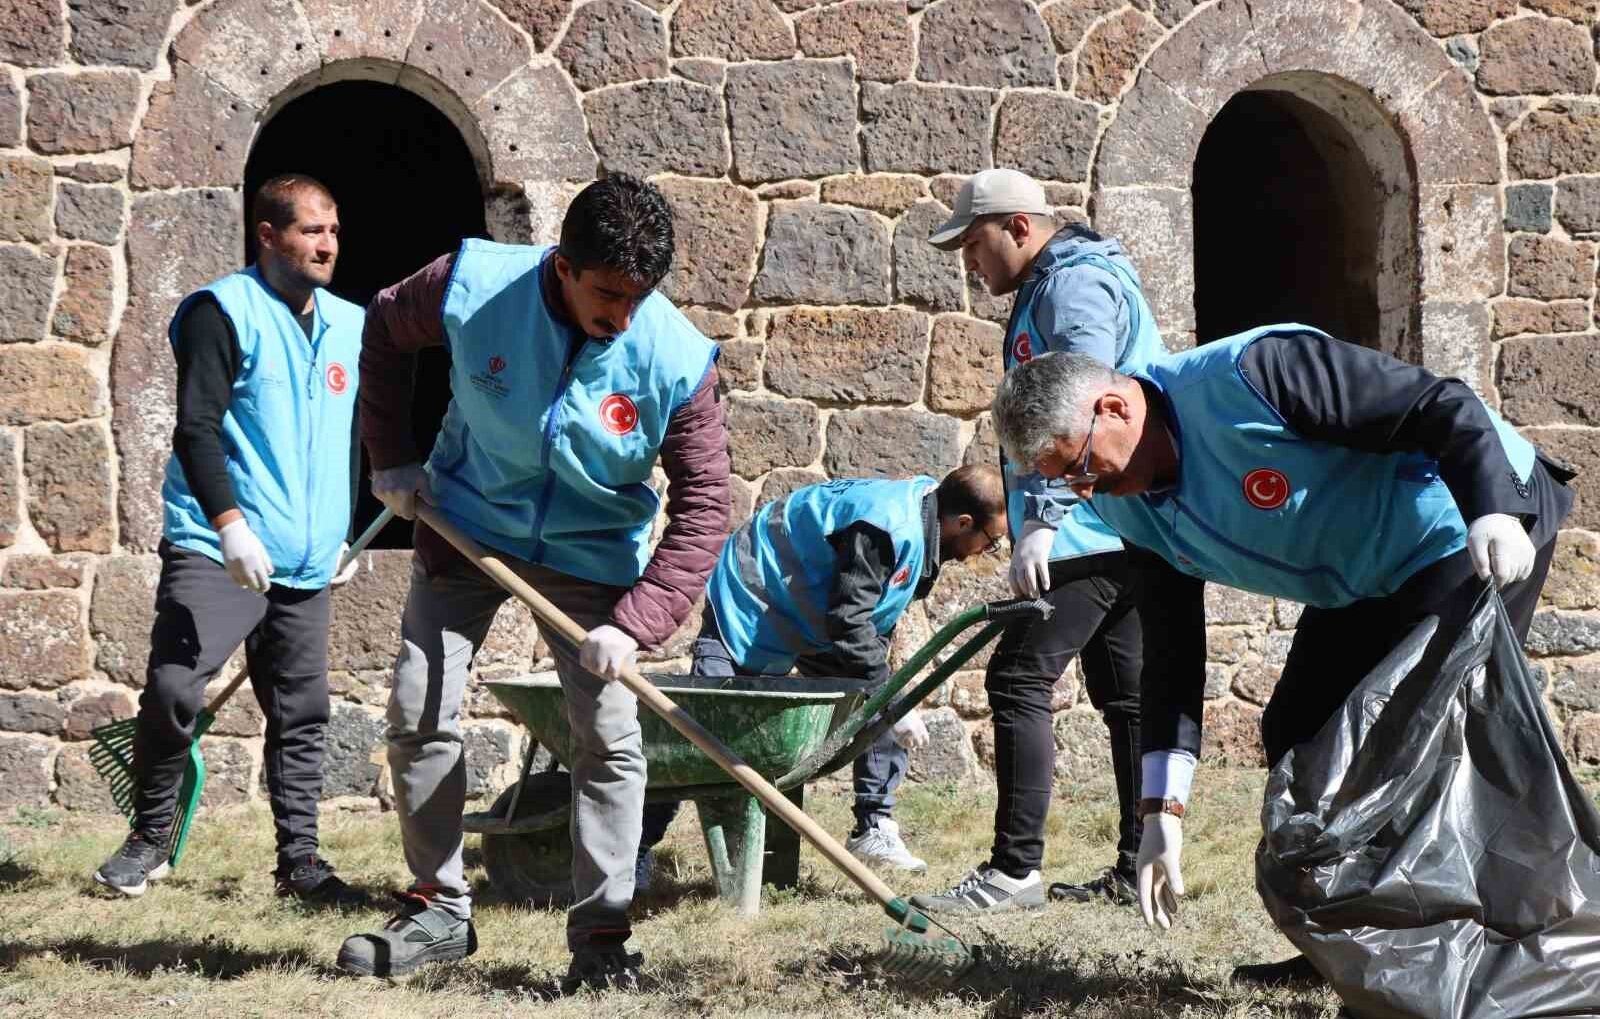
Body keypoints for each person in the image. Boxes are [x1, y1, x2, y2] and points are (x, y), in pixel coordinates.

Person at [991, 324, 1575, 987]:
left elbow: (1438, 402)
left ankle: (1499, 945)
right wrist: (1161, 815)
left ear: (1114, 408)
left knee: (1423, 740)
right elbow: (1172, 655)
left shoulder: (1257, 373)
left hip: (1462, 526)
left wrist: (1492, 508)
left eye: (1079, 466)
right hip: (1362, 574)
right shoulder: (1128, 509)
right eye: (1067, 483)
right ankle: (1343, 950)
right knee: (1302, 728)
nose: (1084, 491)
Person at [336, 174, 731, 993]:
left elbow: (705, 506)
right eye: (608, 294)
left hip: (592, 553)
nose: (624, 316)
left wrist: (636, 623)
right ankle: (438, 911)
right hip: (466, 524)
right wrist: (392, 458)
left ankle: (602, 939)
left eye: (639, 297)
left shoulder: (677, 360)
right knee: (418, 709)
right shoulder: (471, 286)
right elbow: (382, 327)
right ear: (562, 266)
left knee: (611, 741)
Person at [92, 174, 365, 904]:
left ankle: (300, 864)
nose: (327, 245)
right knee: (175, 686)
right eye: (311, 230)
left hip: (307, 557)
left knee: (302, 713)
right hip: (219, 545)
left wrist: (346, 529)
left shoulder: (350, 323)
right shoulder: (222, 312)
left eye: (334, 231)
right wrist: (230, 525)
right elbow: (196, 428)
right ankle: (151, 835)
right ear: (267, 235)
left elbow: (351, 434)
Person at [912, 169, 1164, 916]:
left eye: (973, 244)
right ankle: (1135, 866)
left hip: (1089, 526)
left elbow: (1084, 404)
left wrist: (1046, 520)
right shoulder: (1053, 285)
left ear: (1019, 227)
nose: (968, 263)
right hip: (1119, 525)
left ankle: (1013, 872)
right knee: (1127, 696)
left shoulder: (1075, 288)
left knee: (1018, 677)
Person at [635, 465, 1010, 879]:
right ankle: (634, 848)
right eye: (991, 541)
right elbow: (849, 622)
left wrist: (889, 699)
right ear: (963, 522)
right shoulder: (887, 527)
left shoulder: (926, 515)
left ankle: (873, 828)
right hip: (753, 596)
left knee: (881, 691)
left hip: (814, 610)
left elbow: (865, 624)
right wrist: (894, 703)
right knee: (696, 734)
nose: (986, 550)